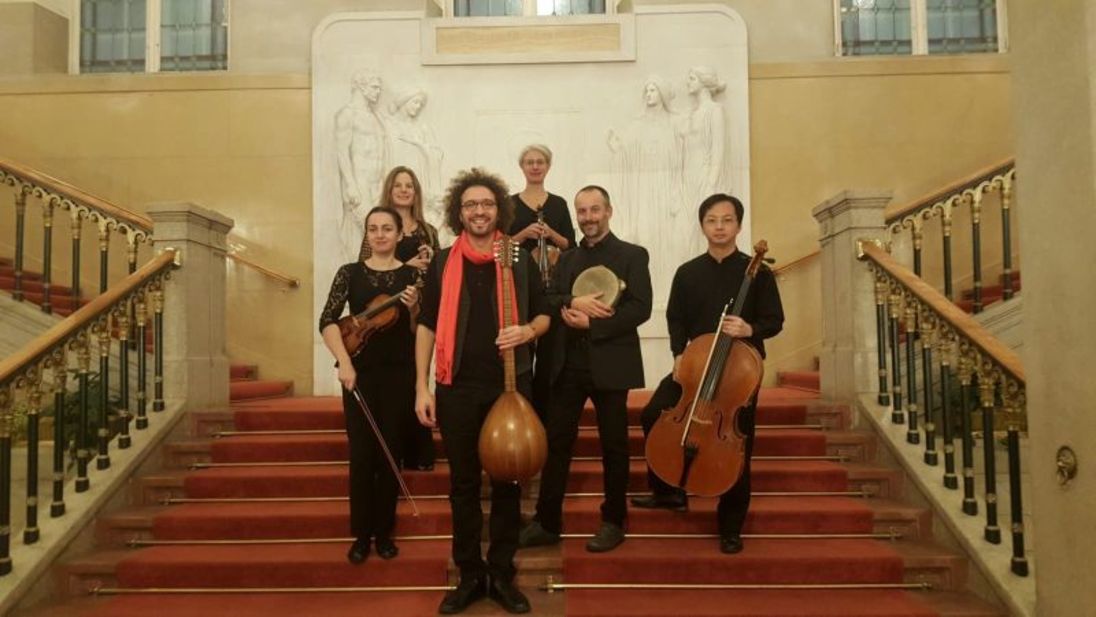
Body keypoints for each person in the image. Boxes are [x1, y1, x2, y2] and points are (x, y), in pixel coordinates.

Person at [414, 168, 551, 615]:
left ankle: (501, 572)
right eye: (470, 204)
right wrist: (421, 387)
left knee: (510, 481)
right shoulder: (442, 262)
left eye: (487, 204)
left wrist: (527, 331)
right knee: (463, 484)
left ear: (499, 210)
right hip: (455, 387)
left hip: (510, 386)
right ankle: (471, 573)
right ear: (459, 211)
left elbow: (545, 314)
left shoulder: (518, 257)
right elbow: (426, 325)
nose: (479, 211)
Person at [631, 193, 784, 555]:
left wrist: (748, 328)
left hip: (738, 374)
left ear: (738, 226)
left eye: (727, 220)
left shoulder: (758, 273)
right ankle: (669, 491)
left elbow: (775, 320)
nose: (719, 227)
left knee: (738, 445)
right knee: (652, 413)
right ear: (702, 226)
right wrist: (678, 353)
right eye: (712, 220)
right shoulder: (688, 272)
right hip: (695, 367)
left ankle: (730, 526)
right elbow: (676, 317)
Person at [519, 185, 653, 553]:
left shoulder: (633, 255)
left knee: (614, 446)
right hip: (568, 366)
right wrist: (573, 301)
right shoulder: (568, 259)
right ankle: (547, 522)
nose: (588, 217)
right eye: (582, 211)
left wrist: (592, 325)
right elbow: (550, 298)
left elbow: (640, 308)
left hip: (611, 364)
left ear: (608, 211)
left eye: (595, 210)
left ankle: (613, 521)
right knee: (556, 444)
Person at [319, 206, 419, 565]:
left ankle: (384, 533)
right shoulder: (350, 273)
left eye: (387, 228)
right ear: (367, 234)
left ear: (399, 234)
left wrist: (414, 308)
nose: (380, 234)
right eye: (373, 229)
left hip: (399, 375)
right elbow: (328, 321)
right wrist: (344, 363)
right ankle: (361, 536)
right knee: (362, 456)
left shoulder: (412, 276)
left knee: (391, 453)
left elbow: (420, 330)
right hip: (359, 374)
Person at [359, 167, 442, 471]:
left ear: (416, 191)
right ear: (390, 190)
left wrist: (431, 260)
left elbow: (439, 271)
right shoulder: (380, 225)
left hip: (418, 310)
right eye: (398, 185)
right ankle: (393, 450)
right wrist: (407, 264)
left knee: (415, 378)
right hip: (387, 313)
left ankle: (418, 451)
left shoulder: (428, 230)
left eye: (410, 185)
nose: (405, 190)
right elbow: (365, 268)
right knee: (394, 385)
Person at [507, 144, 576, 417]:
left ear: (548, 166)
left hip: (552, 287)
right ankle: (522, 415)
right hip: (521, 287)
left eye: (540, 162)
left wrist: (551, 234)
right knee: (522, 354)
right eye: (530, 162)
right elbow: (500, 247)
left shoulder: (558, 204)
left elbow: (571, 246)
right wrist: (524, 234)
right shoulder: (510, 204)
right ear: (522, 167)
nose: (535, 166)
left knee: (549, 358)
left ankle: (546, 418)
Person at [335, 71, 388, 264]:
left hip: (377, 184)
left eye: (379, 88)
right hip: (360, 182)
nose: (378, 92)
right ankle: (357, 273)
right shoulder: (347, 114)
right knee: (367, 233)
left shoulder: (374, 116)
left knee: (380, 234)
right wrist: (350, 184)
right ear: (361, 87)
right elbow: (342, 151)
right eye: (374, 87)